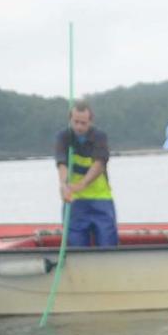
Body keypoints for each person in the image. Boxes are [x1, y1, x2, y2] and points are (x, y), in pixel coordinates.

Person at [54, 102, 118, 247]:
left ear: (90, 121)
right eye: (76, 122)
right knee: (76, 244)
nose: (79, 127)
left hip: (100, 199)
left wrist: (82, 184)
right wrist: (63, 185)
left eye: (83, 123)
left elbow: (99, 164)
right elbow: (61, 163)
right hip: (75, 201)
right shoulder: (63, 137)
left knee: (107, 241)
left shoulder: (99, 137)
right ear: (70, 119)